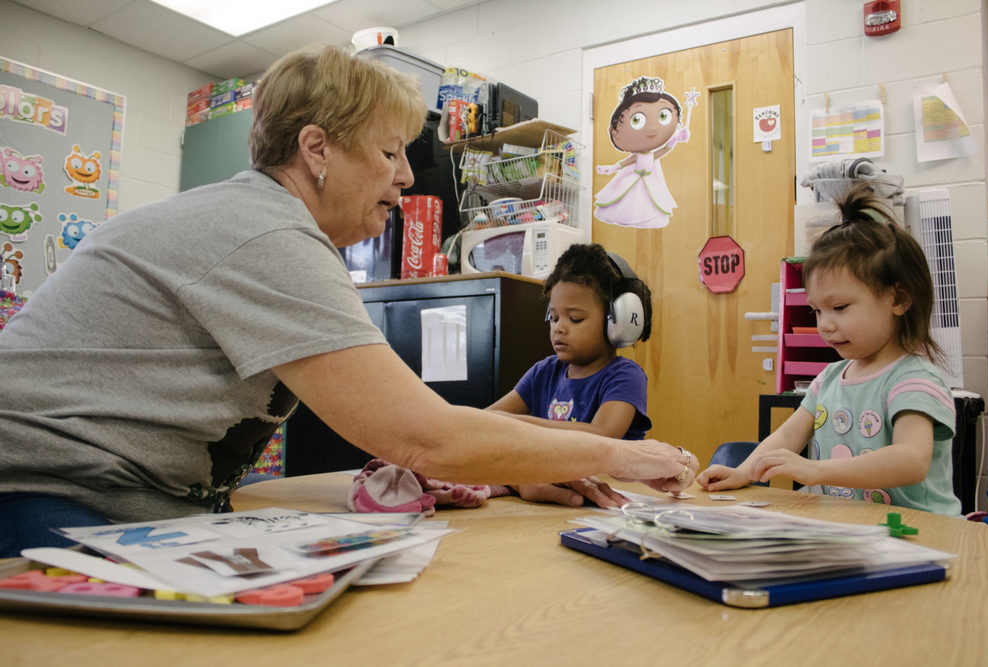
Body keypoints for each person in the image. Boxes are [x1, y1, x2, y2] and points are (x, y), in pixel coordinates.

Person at [0, 44, 698, 558]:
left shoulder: (271, 227)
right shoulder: (267, 232)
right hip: (35, 495)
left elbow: (425, 426)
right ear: (317, 149)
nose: (403, 177)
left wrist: (542, 461)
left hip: (100, 494)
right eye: (390, 152)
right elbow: (423, 435)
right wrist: (625, 457)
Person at [696, 182, 961, 516]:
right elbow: (785, 438)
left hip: (922, 535)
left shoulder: (914, 380)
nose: (825, 324)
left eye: (840, 307)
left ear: (899, 299)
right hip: (851, 529)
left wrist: (815, 470)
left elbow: (911, 460)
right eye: (816, 311)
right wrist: (744, 472)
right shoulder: (829, 378)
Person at [489, 243, 670, 509]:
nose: (559, 328)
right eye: (553, 318)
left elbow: (602, 434)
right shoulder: (544, 372)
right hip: (546, 502)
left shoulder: (625, 376)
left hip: (609, 505)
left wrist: (517, 426)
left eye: (574, 319)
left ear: (617, 321)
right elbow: (487, 420)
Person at [593, 75, 691, 229]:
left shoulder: (652, 155)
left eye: (663, 116)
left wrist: (676, 138)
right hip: (634, 179)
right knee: (629, 201)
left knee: (649, 203)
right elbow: (627, 162)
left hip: (649, 182)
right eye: (637, 120)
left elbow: (664, 149)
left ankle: (647, 219)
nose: (652, 128)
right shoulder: (639, 155)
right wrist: (611, 168)